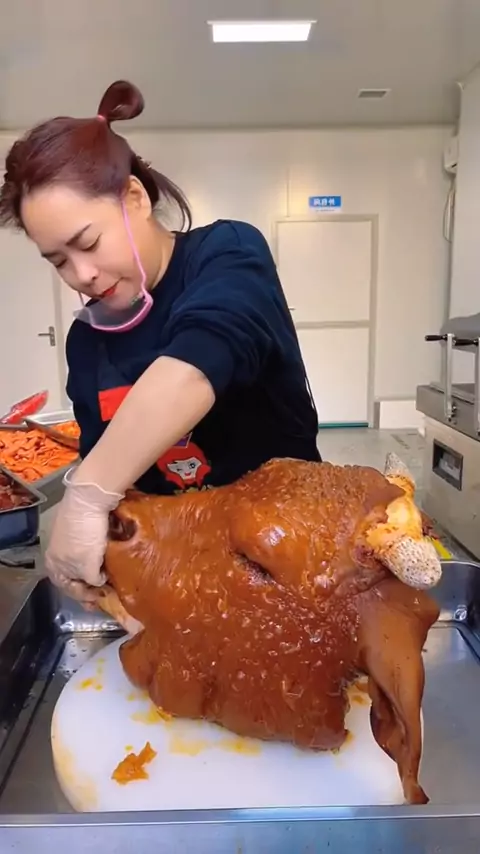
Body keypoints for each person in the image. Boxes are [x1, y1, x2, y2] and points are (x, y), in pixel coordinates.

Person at [0, 80, 320, 609]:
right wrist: (103, 555)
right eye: (58, 261)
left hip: (291, 549)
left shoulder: (227, 253)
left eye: (88, 242)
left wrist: (85, 495)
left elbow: (200, 359)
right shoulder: (88, 342)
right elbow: (114, 475)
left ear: (135, 198)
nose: (82, 274)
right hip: (180, 569)